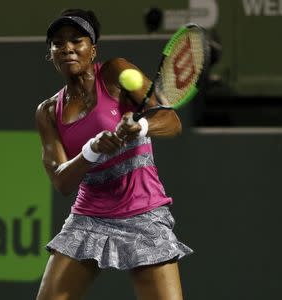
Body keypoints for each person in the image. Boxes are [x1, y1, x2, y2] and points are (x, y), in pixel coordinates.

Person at [35, 9, 193, 300]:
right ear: (51, 53)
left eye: (76, 40)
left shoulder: (116, 72)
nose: (67, 47)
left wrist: (141, 125)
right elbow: (62, 182)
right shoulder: (47, 112)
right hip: (89, 217)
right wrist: (91, 151)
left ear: (92, 49)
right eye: (58, 43)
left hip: (143, 210)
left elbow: (171, 122)